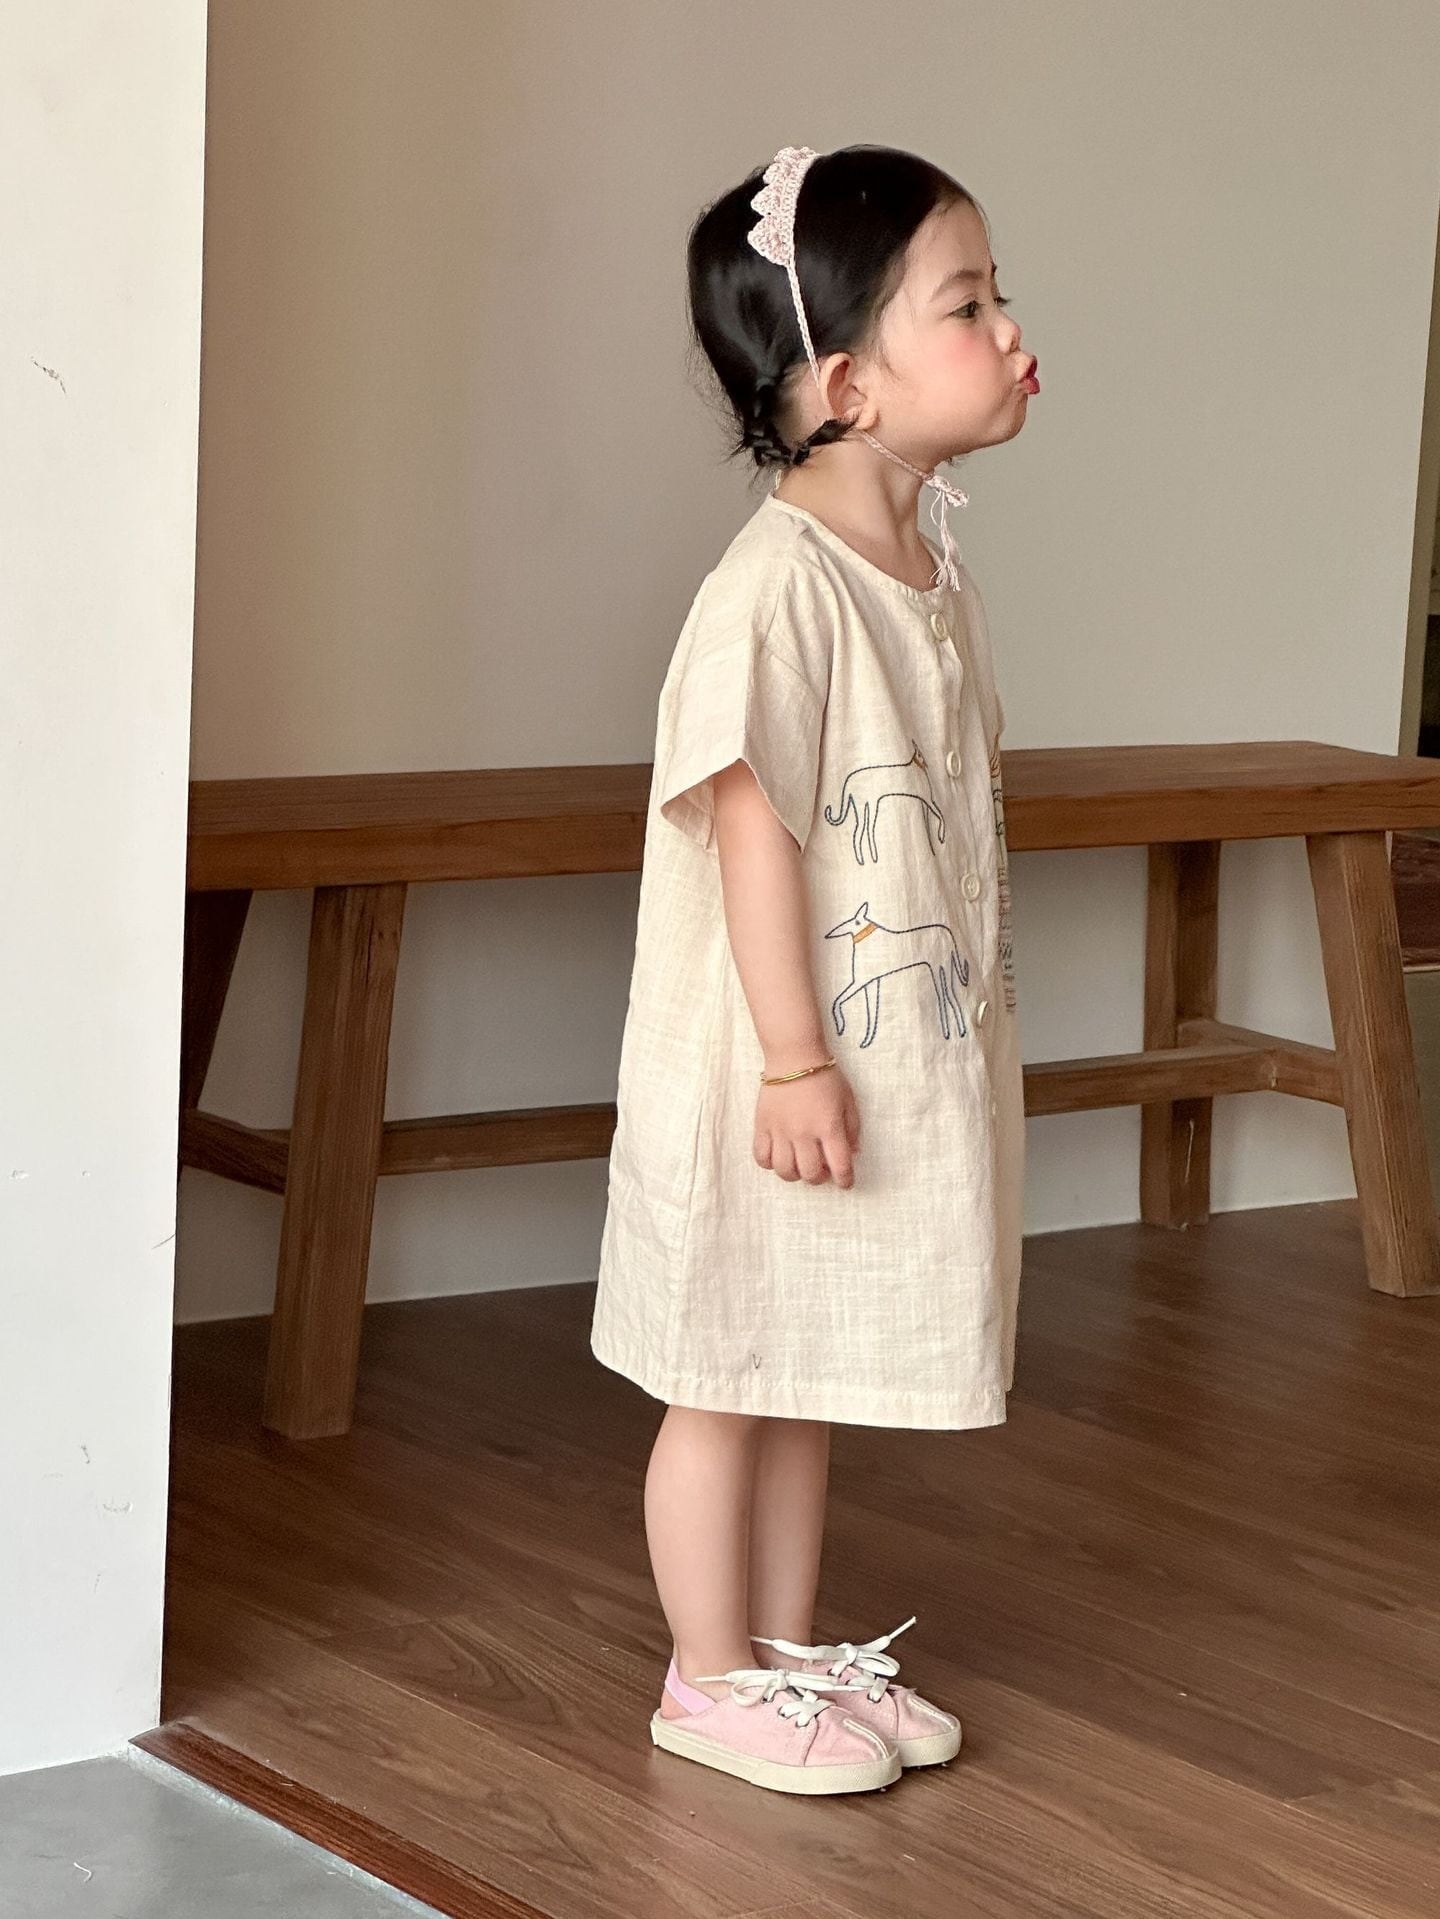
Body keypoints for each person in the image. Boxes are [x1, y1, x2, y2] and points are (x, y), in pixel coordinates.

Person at [590, 142, 1036, 1796]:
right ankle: (704, 1677)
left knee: (800, 1369)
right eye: (968, 305)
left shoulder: (921, 572)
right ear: (849, 384)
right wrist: (791, 1057)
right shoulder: (778, 588)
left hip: (856, 1047)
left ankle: (784, 1658)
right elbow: (751, 819)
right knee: (726, 1368)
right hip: (769, 1066)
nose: (1011, 330)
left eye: (998, 296)